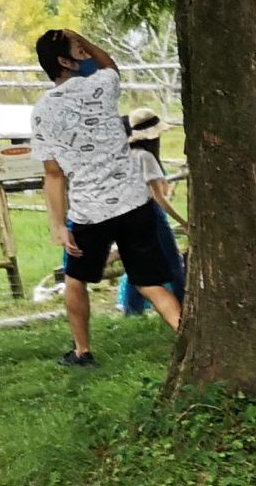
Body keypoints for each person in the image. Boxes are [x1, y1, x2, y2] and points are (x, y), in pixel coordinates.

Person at [32, 29, 182, 366]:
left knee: (75, 280)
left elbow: (53, 174)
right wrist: (82, 36)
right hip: (134, 202)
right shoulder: (102, 85)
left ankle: (82, 351)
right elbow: (109, 63)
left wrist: (58, 224)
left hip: (89, 212)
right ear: (66, 61)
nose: (86, 54)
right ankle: (188, 338)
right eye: (78, 51)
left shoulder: (42, 111)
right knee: (151, 283)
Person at [114, 108, 187, 315]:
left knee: (137, 265)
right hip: (150, 215)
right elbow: (158, 197)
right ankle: (182, 306)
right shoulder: (146, 157)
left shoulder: (126, 156)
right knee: (173, 262)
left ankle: (132, 310)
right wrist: (183, 222)